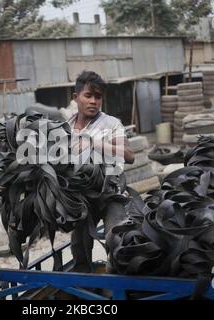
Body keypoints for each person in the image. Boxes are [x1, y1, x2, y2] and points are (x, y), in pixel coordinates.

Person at [68, 71, 135, 273]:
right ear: (75, 97)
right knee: (79, 247)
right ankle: (85, 290)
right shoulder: (66, 127)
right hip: (82, 197)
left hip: (110, 193)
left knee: (116, 239)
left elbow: (129, 155)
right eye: (88, 96)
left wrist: (96, 143)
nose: (94, 101)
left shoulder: (110, 124)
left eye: (98, 97)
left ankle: (117, 286)